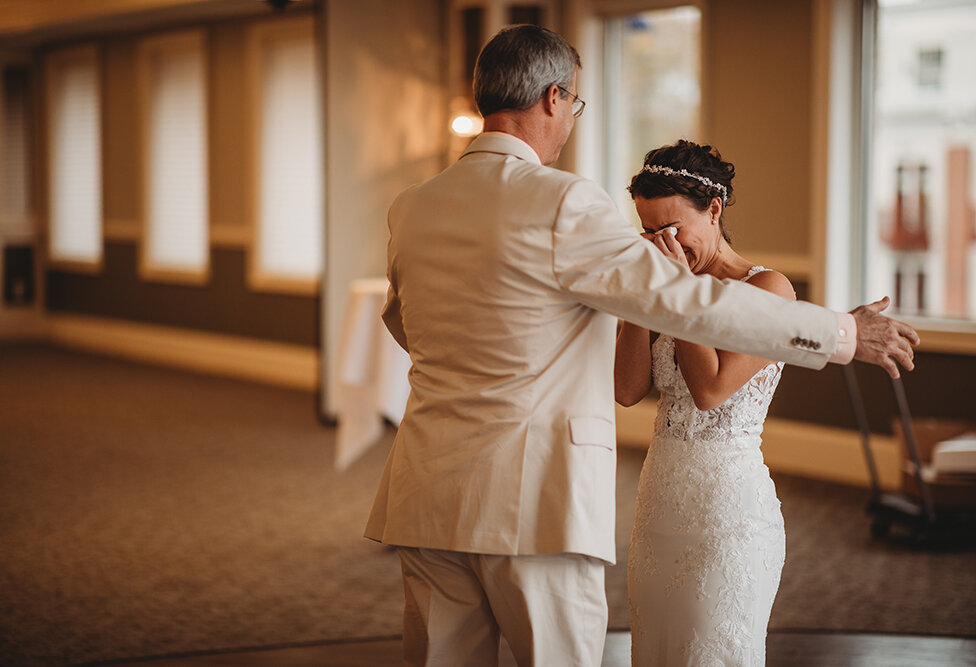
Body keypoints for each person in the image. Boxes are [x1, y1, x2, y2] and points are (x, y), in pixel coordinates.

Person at [363, 24, 918, 667]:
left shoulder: (413, 205)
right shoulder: (563, 201)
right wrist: (842, 332)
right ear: (552, 97)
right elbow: (683, 299)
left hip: (425, 489)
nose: (571, 119)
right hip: (533, 499)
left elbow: (403, 325)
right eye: (573, 104)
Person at [615, 140, 796, 666]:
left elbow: (712, 391)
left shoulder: (769, 289)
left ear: (713, 210)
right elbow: (627, 391)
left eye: (671, 228)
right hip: (659, 504)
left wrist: (675, 291)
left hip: (729, 514)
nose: (660, 242)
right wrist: (638, 303)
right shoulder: (667, 287)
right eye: (648, 230)